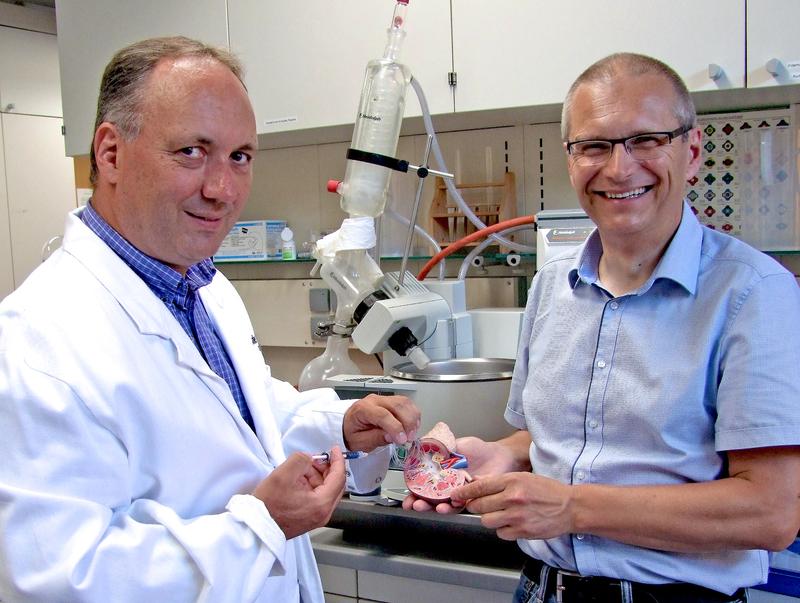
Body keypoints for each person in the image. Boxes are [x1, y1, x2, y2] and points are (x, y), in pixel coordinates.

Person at [0, 36, 420, 603]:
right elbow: (63, 578)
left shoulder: (203, 285)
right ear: (110, 153)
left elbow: (236, 413)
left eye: (239, 156)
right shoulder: (36, 340)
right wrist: (259, 528)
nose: (221, 189)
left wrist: (337, 422)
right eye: (191, 152)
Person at [404, 52, 800, 602]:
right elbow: (543, 439)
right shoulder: (551, 287)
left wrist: (570, 506)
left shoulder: (755, 294)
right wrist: (504, 455)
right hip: (543, 589)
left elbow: (770, 513)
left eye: (646, 140)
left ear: (690, 153)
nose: (619, 168)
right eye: (594, 146)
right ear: (571, 161)